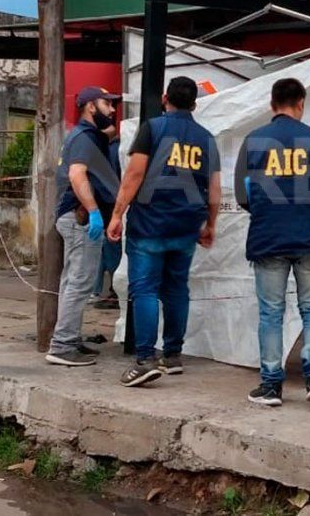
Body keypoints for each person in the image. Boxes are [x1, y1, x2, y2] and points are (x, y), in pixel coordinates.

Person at [108, 76, 220, 387]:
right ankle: (172, 355)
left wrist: (117, 214)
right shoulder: (207, 138)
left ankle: (145, 359)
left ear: (164, 97)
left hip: (149, 223)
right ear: (195, 104)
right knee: (176, 288)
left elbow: (134, 173)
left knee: (144, 289)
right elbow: (214, 188)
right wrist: (210, 224)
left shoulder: (152, 128)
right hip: (186, 225)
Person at [236, 77, 310, 406]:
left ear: (272, 105)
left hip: (269, 236)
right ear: (301, 104)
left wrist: (267, 210)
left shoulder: (254, 140)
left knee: (271, 312)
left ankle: (270, 386)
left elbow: (242, 194)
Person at [46, 86, 122, 367]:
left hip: (77, 218)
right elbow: (78, 175)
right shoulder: (83, 138)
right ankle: (63, 345)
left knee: (73, 281)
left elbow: (105, 140)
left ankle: (70, 338)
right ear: (91, 106)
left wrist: (111, 134)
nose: (112, 110)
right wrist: (93, 212)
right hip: (81, 219)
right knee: (79, 282)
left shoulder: (88, 136)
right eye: (107, 104)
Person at [93, 124, 123, 310]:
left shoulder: (110, 151)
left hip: (111, 209)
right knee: (107, 253)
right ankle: (108, 289)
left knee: (112, 252)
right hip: (115, 208)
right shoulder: (117, 149)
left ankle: (114, 291)